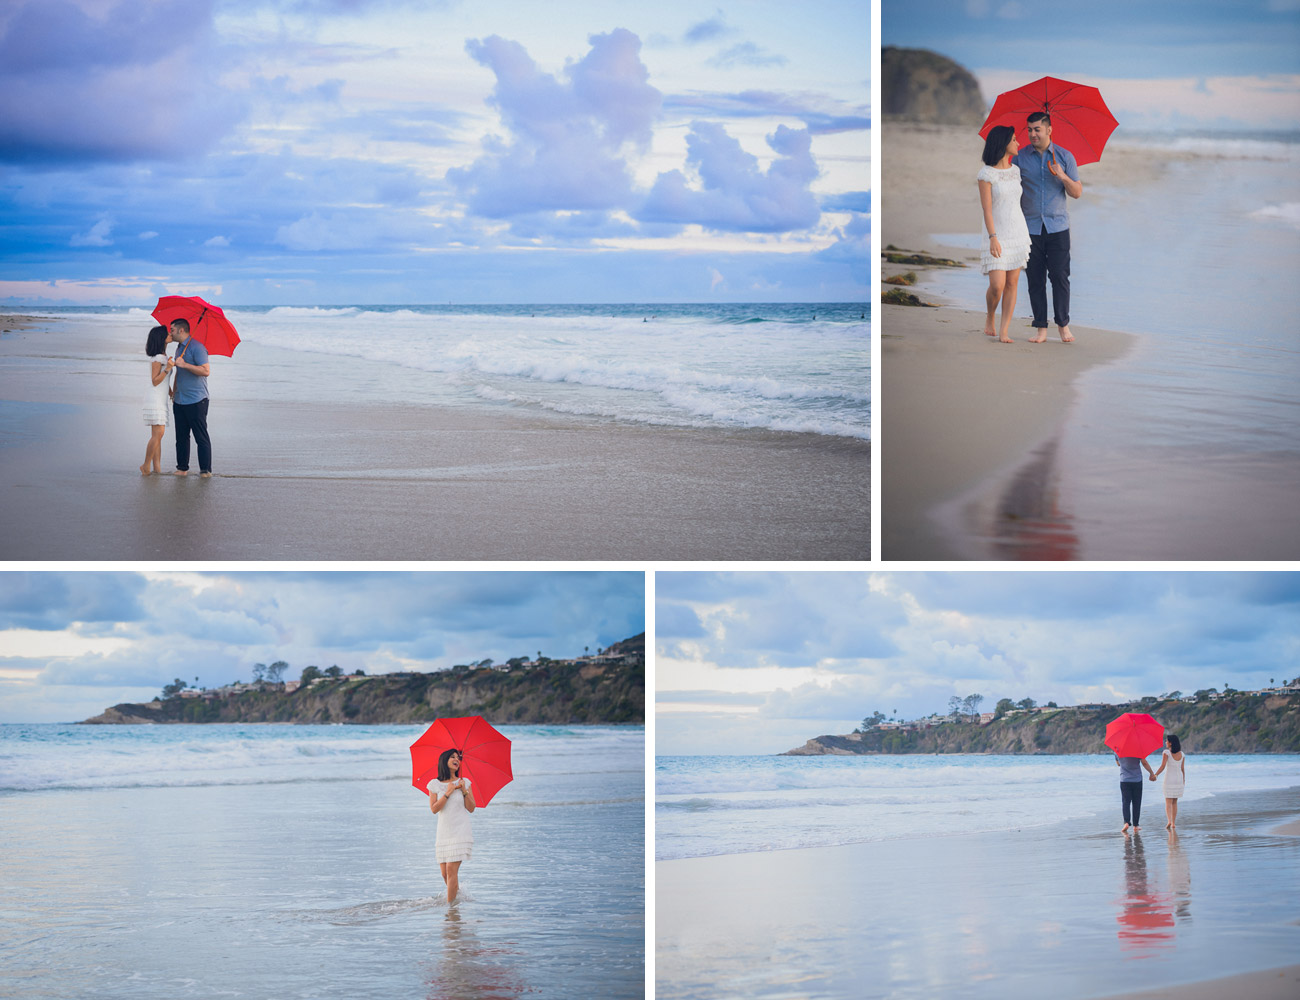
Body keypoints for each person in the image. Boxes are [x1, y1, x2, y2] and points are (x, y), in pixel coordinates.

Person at [1013, 111, 1082, 344]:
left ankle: (1063, 325)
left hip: (1058, 227)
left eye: (1037, 129)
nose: (1032, 134)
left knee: (1060, 277)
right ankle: (1041, 328)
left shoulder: (1065, 157)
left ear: (1049, 130)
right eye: (1029, 130)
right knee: (1035, 279)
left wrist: (1062, 175)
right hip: (1029, 227)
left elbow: (1077, 192)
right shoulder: (1019, 158)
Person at [977, 125, 1031, 343]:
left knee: (1012, 283)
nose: (1019, 143)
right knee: (997, 285)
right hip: (996, 234)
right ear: (1003, 143)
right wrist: (993, 237)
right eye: (1015, 139)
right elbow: (987, 209)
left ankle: (1004, 330)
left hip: (1017, 231)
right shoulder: (986, 174)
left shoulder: (1016, 171)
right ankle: (990, 315)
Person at [428, 748, 476, 902]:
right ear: (445, 760)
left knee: (451, 869)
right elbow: (434, 809)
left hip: (461, 830)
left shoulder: (465, 782)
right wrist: (448, 793)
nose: (457, 760)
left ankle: (451, 910)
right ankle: (458, 896)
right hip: (443, 832)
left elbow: (471, 808)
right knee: (444, 873)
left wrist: (464, 791)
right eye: (452, 757)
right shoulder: (434, 784)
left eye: (458, 758)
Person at [168, 318, 212, 477]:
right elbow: (179, 372)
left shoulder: (198, 347)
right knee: (181, 437)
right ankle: (182, 468)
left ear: (181, 330)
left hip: (197, 399)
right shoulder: (180, 348)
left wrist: (185, 364)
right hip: (180, 399)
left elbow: (206, 371)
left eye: (171, 329)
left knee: (200, 436)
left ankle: (205, 470)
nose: (169, 333)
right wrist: (174, 390)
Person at [140, 325, 174, 476]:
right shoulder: (158, 358)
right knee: (158, 434)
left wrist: (171, 392)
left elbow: (164, 380)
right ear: (161, 338)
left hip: (161, 398)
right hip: (154, 398)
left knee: (158, 434)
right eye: (167, 333)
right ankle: (146, 465)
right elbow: (154, 380)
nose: (170, 334)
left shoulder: (164, 357)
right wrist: (168, 368)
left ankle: (157, 468)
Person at [1152, 733, 1186, 831]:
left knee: (1168, 802)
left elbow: (1163, 766)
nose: (1165, 742)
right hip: (1179, 779)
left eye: (1167, 741)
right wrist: (1183, 780)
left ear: (1170, 743)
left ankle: (1169, 821)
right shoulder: (1182, 754)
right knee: (1175, 802)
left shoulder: (1166, 752)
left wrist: (1155, 775)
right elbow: (1182, 769)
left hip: (1169, 779)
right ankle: (1174, 823)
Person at [1116, 751, 1156, 833]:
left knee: (1125, 802)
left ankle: (1126, 822)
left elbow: (1118, 764)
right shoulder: (1137, 749)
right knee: (1136, 802)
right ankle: (1135, 825)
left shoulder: (1117, 750)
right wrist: (1151, 773)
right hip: (1137, 780)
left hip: (1124, 780)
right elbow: (1144, 763)